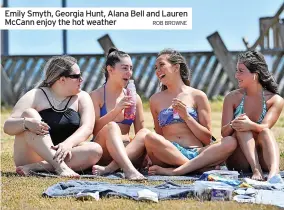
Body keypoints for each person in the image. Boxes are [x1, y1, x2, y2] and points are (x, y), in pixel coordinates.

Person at [3, 55, 103, 177]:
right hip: (31, 155)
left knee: (95, 149)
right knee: (29, 114)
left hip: (62, 154)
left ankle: (38, 168)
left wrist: (67, 144)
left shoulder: (82, 97)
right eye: (76, 76)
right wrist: (26, 123)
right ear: (62, 79)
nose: (81, 79)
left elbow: (87, 128)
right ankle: (60, 167)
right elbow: (7, 126)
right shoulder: (36, 95)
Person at [144, 49, 237, 176]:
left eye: (161, 65)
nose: (157, 70)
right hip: (170, 153)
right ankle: (197, 169)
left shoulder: (198, 95)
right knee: (150, 137)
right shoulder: (155, 100)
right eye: (155, 67)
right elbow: (160, 136)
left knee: (230, 141)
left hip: (198, 153)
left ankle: (179, 170)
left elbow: (207, 139)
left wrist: (187, 117)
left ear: (176, 67)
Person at [222, 50, 284, 180]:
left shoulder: (275, 100)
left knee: (265, 132)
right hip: (239, 161)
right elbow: (224, 133)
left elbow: (265, 127)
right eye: (236, 70)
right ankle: (256, 171)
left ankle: (274, 173)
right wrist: (235, 124)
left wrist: (249, 125)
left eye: (241, 71)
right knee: (241, 128)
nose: (236, 75)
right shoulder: (232, 98)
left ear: (255, 75)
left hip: (263, 159)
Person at [90, 48, 149, 180]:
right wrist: (115, 111)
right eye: (124, 68)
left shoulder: (134, 98)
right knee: (112, 126)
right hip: (104, 151)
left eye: (131, 68)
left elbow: (141, 131)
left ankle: (111, 168)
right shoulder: (96, 96)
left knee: (145, 132)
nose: (129, 73)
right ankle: (128, 170)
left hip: (128, 150)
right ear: (110, 70)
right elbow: (94, 130)